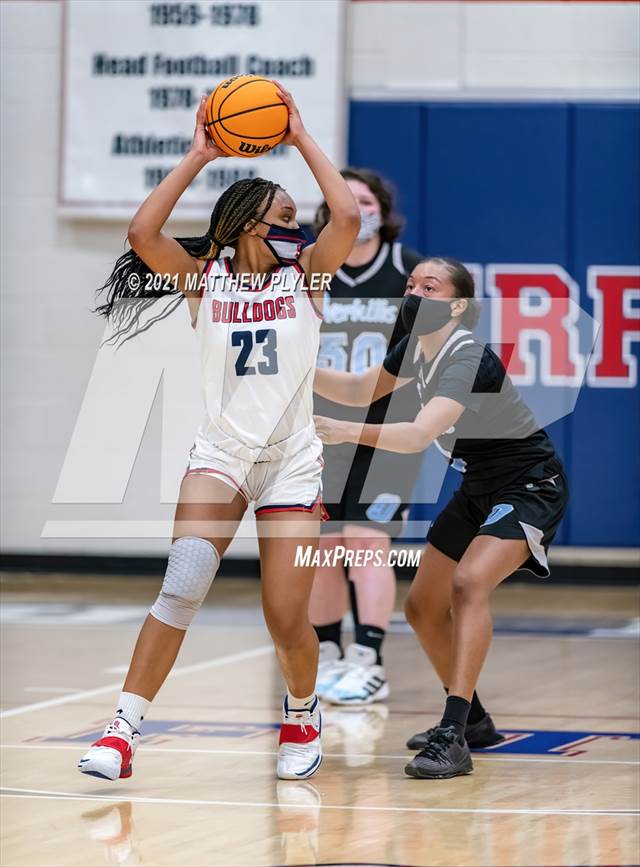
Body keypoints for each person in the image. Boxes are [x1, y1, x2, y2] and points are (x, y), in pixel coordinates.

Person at [77, 83, 360, 782]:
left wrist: (299, 138)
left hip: (291, 461)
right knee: (186, 578)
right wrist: (200, 155)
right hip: (223, 453)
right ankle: (121, 731)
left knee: (283, 614)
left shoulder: (309, 278)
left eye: (299, 216)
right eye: (284, 216)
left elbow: (347, 213)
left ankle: (301, 708)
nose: (298, 226)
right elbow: (143, 235)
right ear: (244, 224)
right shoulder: (205, 278)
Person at [313, 257, 569, 779]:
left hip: (528, 485)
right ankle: (473, 719)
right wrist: (295, 369)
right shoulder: (415, 349)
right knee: (423, 607)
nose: (413, 293)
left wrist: (342, 431)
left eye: (428, 287)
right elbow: (363, 389)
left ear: (457, 305)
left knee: (469, 583)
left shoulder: (466, 357)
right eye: (410, 284)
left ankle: (452, 734)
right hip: (476, 485)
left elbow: (414, 435)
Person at [311, 169, 424, 705]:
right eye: (346, 199)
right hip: (318, 429)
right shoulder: (310, 269)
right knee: (322, 548)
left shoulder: (410, 272)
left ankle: (369, 657)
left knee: (367, 540)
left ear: (380, 207)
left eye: (364, 199)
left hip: (388, 429)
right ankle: (329, 653)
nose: (357, 207)